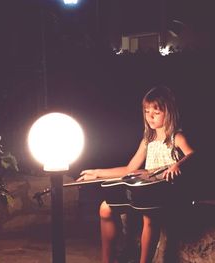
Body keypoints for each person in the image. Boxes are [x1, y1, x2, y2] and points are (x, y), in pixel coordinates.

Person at [77, 86, 194, 263]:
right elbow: (129, 169)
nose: (150, 116)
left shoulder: (176, 137)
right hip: (146, 191)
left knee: (149, 216)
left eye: (156, 111)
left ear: (168, 112)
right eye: (147, 111)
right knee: (105, 208)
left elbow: (194, 155)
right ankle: (108, 260)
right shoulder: (148, 141)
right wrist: (97, 173)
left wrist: (178, 165)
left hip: (167, 193)